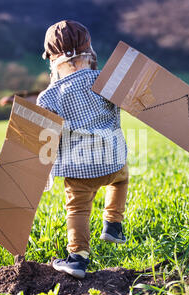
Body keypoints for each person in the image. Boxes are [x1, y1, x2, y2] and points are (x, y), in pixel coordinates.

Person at [36, 20, 129, 279]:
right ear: (90, 53)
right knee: (121, 180)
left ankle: (77, 258)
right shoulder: (106, 81)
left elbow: (45, 141)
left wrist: (44, 174)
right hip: (113, 162)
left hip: (79, 171)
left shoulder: (48, 97)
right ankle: (113, 223)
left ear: (53, 61)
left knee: (77, 209)